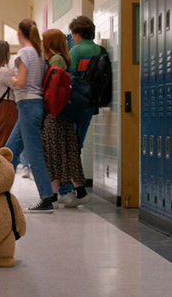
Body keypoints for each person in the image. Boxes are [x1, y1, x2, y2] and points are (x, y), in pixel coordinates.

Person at [4, 19, 54, 213]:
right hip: (34, 105)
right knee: (10, 150)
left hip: (27, 103)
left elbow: (22, 82)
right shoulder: (39, 54)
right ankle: (2, 192)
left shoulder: (24, 53)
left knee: (34, 154)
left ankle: (46, 197)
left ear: (19, 33)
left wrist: (12, 78)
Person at [40, 29, 87, 206]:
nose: (42, 44)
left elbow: (54, 90)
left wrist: (49, 111)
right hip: (63, 113)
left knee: (53, 153)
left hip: (55, 113)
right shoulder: (61, 58)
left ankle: (54, 193)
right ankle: (76, 188)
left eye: (44, 41)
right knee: (66, 151)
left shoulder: (55, 60)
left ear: (50, 42)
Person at [58, 15, 101, 207]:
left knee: (69, 146)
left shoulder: (75, 52)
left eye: (73, 34)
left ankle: (70, 189)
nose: (72, 37)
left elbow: (68, 79)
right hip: (91, 106)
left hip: (75, 104)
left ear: (77, 33)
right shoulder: (100, 50)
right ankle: (76, 188)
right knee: (77, 145)